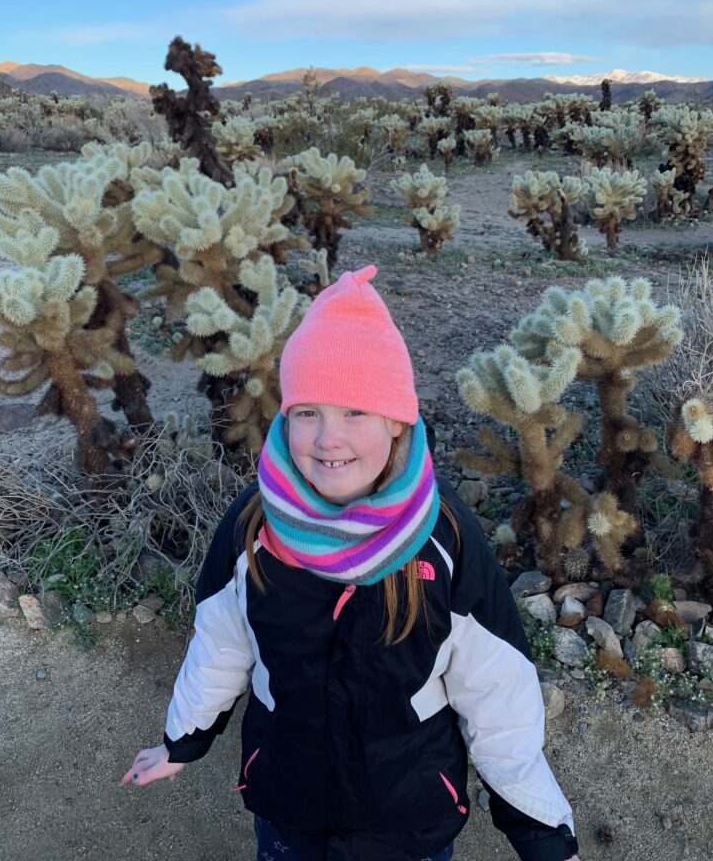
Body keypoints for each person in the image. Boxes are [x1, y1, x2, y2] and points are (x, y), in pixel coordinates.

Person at [121, 264, 582, 861]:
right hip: (290, 814)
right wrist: (181, 742)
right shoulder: (252, 524)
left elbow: (497, 700)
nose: (327, 438)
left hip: (408, 824)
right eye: (308, 411)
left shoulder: (446, 538)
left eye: (355, 412)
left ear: (397, 420)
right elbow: (221, 647)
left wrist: (544, 838)